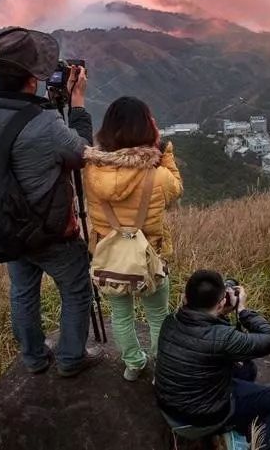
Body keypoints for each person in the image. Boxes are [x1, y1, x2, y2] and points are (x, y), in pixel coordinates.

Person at [0, 27, 101, 378]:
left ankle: (33, 358)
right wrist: (77, 103)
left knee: (23, 291)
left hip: (6, 224)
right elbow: (82, 154)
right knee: (76, 287)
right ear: (32, 79)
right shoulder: (45, 123)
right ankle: (71, 359)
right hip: (47, 228)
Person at [83, 96, 183, 381]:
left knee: (121, 315)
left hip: (108, 256)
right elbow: (176, 189)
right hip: (150, 256)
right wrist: (166, 153)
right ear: (146, 128)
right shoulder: (158, 175)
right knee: (157, 316)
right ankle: (161, 369)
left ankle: (133, 364)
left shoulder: (91, 171)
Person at [156, 270, 270, 450]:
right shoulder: (223, 338)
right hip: (202, 420)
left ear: (185, 297)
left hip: (169, 410)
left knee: (247, 370)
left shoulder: (170, 321)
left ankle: (230, 427)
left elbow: (206, 340)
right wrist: (243, 311)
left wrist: (219, 314)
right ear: (221, 303)